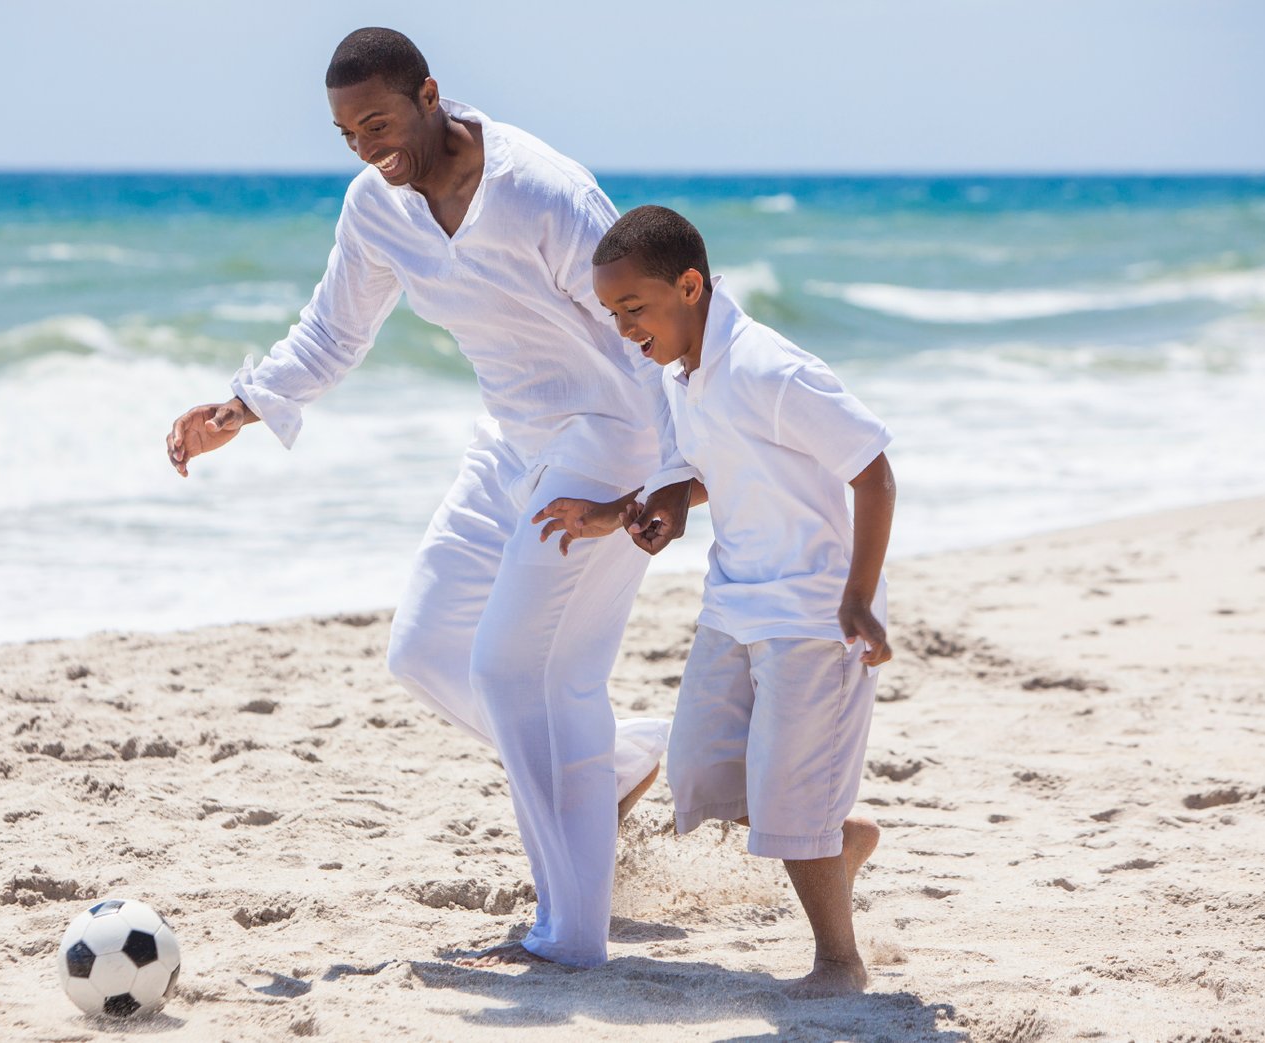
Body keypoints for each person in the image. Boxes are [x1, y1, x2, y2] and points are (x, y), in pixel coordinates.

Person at [164, 29, 689, 969]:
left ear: (430, 95)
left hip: (608, 438)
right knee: (427, 649)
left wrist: (676, 474)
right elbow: (334, 328)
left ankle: (571, 933)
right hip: (510, 438)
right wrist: (242, 405)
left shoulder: (540, 190)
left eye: (378, 121)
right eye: (346, 133)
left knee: (521, 673)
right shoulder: (378, 208)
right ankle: (612, 767)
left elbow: (644, 324)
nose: (368, 147)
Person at [533, 205, 895, 996]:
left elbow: (871, 468)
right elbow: (709, 466)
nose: (625, 327)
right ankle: (839, 842)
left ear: (689, 286)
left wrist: (860, 597)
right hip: (733, 602)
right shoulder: (681, 373)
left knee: (787, 797)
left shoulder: (771, 369)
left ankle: (839, 961)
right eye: (613, 313)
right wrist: (620, 513)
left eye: (635, 307)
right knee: (702, 770)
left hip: (812, 613)